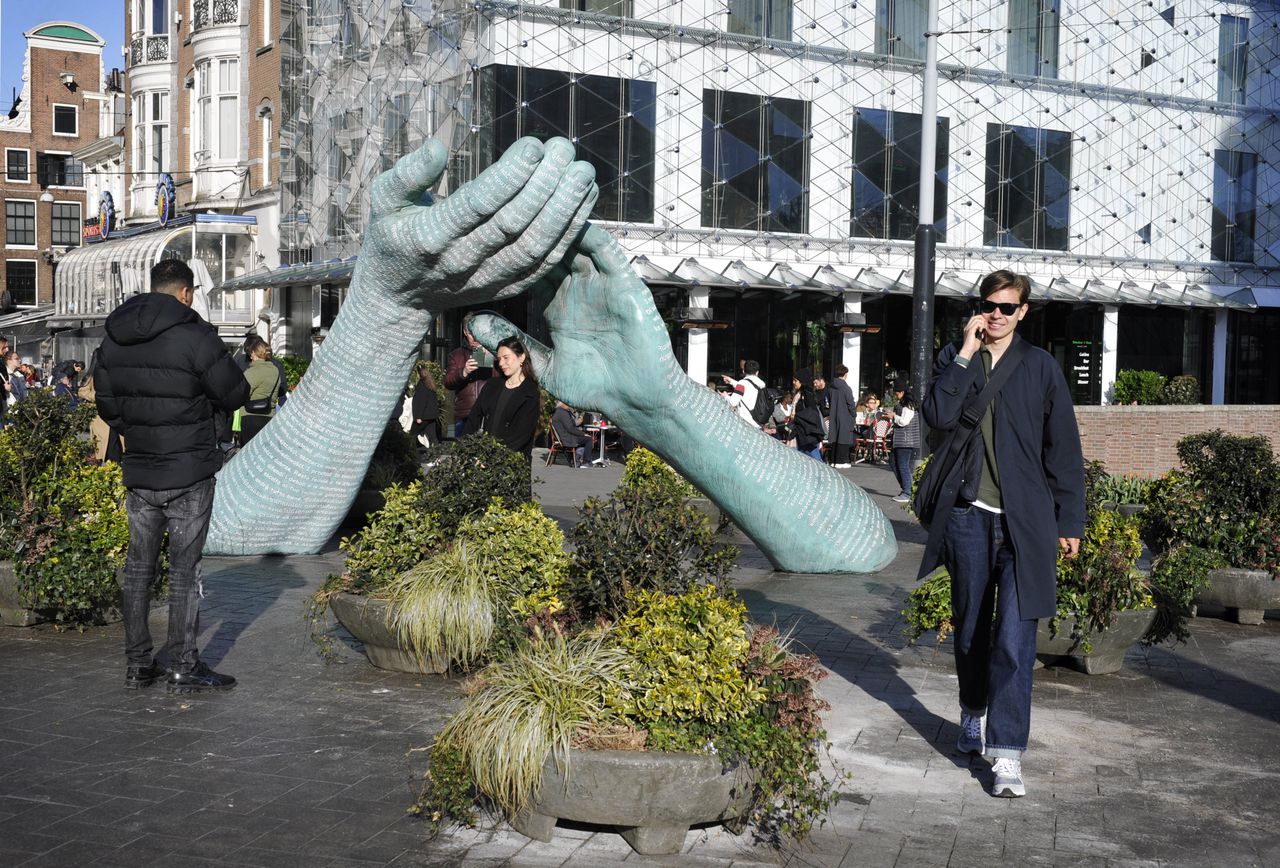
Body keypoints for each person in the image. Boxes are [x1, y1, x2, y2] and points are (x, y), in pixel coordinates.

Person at [920, 269, 1084, 799]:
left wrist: (1069, 520)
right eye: (987, 305)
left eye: (1006, 307)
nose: (995, 315)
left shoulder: (1040, 367)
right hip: (968, 516)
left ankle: (1007, 751)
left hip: (1025, 522)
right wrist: (966, 352)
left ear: (1023, 312)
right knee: (970, 629)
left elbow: (1064, 448)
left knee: (1015, 638)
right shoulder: (957, 358)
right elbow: (937, 415)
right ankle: (972, 710)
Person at [95, 259, 249, 694]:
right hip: (188, 469)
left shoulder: (114, 337)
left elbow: (108, 404)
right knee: (184, 571)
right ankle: (182, 664)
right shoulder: (196, 336)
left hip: (141, 468)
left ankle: (138, 664)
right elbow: (236, 392)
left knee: (138, 569)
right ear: (185, 293)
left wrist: (140, 430)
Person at [463, 335, 540, 459]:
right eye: (499, 359)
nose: (501, 363)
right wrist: (468, 451)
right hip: (484, 458)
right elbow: (473, 420)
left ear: (521, 357)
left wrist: (493, 458)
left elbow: (521, 435)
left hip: (512, 462)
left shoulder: (530, 392)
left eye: (506, 358)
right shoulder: (492, 385)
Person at [445, 315, 494, 438]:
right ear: (465, 332)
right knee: (460, 446)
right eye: (471, 333)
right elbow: (448, 382)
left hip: (489, 413)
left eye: (478, 332)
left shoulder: (494, 352)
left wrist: (494, 358)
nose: (475, 337)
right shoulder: (456, 355)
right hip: (465, 414)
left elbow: (503, 379)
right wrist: (464, 372)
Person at [238, 335, 281, 446]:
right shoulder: (275, 370)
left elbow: (241, 394)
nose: (250, 355)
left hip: (250, 417)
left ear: (255, 353)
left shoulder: (251, 372)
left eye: (252, 352)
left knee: (249, 451)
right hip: (269, 416)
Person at [888, 380, 920, 503]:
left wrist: (894, 416)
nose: (896, 396)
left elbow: (904, 422)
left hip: (906, 440)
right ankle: (906, 488)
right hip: (900, 440)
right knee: (893, 461)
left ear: (902, 392)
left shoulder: (909, 405)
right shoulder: (903, 404)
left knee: (903, 465)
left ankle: (907, 492)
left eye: (897, 393)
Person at [790, 369, 826, 461]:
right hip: (802, 431)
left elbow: (812, 412)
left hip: (807, 432)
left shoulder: (807, 393)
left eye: (795, 380)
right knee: (804, 456)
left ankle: (822, 469)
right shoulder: (801, 393)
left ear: (802, 381)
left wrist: (796, 416)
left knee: (813, 457)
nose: (793, 382)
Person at [827, 365, 857, 468]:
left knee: (835, 437)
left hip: (834, 415)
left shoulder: (831, 387)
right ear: (845, 374)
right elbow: (851, 404)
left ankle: (833, 460)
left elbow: (829, 401)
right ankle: (841, 461)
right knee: (843, 438)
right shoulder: (846, 388)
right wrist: (854, 415)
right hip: (845, 416)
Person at [722, 360, 766, 428]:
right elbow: (748, 388)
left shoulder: (742, 384)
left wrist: (725, 396)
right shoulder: (762, 384)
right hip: (759, 424)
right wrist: (731, 381)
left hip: (746, 424)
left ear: (743, 371)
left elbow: (733, 403)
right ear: (757, 372)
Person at [551, 400, 591, 467]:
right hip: (568, 438)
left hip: (565, 436)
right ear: (562, 404)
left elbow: (570, 426)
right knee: (589, 439)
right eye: (567, 403)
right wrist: (583, 434)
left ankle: (577, 459)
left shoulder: (559, 411)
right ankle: (585, 462)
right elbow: (570, 428)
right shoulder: (562, 413)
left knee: (585, 438)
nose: (569, 405)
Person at [410, 362, 441, 447]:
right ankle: (436, 452)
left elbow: (421, 402)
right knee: (432, 437)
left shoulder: (422, 385)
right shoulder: (430, 384)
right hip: (431, 416)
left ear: (419, 374)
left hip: (423, 416)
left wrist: (418, 417)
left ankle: (409, 452)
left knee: (412, 435)